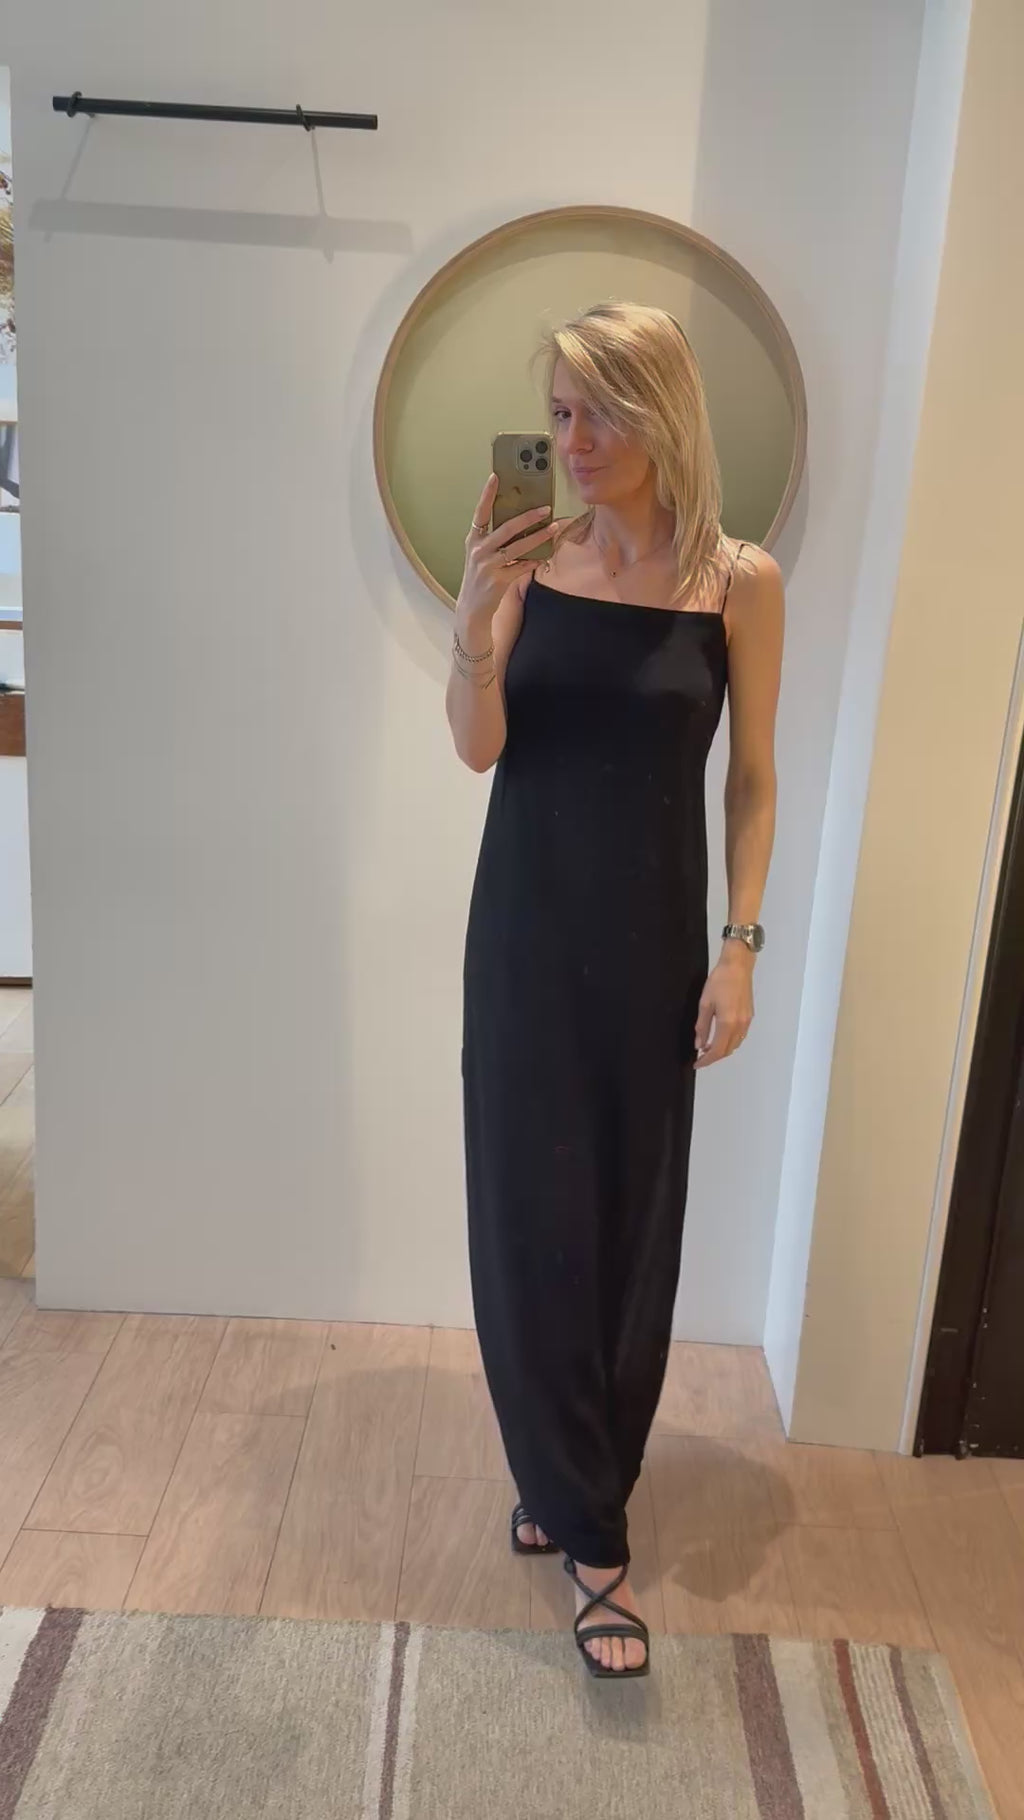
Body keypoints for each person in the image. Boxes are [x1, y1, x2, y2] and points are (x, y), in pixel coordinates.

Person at [446, 302, 784, 1679]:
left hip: (652, 950)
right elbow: (477, 749)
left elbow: (752, 779)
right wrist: (473, 625)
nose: (572, 440)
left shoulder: (739, 583)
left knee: (632, 1218)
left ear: (662, 414)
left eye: (597, 411)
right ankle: (593, 1537)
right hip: (526, 938)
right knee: (529, 1214)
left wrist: (741, 946)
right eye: (558, 413)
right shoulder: (532, 565)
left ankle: (573, 1474)